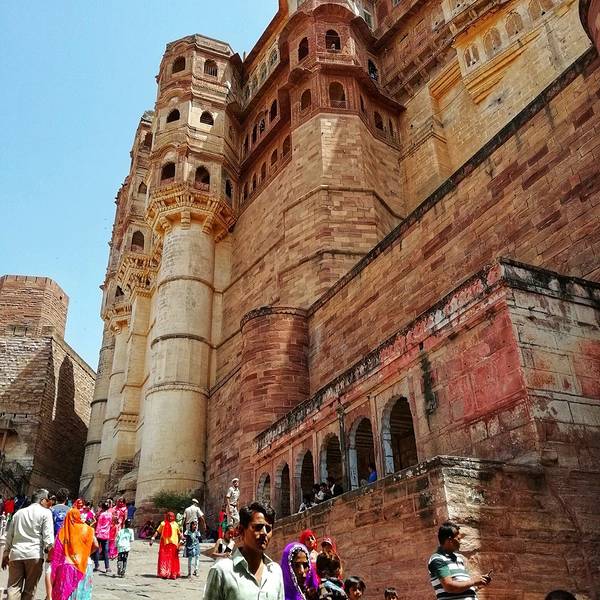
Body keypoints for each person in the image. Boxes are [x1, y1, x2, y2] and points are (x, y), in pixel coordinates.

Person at [205, 501, 284, 599]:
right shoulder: (222, 571)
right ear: (242, 531)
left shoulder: (275, 572)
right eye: (258, 527)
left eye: (268, 529)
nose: (264, 533)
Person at [1, 488, 54, 600]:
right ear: (42, 500)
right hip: (34, 555)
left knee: (13, 588)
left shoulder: (18, 513)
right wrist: (50, 555)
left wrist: (5, 554)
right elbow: (48, 538)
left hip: (16, 554)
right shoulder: (46, 513)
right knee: (29, 591)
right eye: (47, 500)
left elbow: (9, 535)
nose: (49, 502)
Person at [428, 521, 491, 599]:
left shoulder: (459, 559)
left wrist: (479, 584)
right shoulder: (438, 559)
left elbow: (464, 588)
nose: (460, 542)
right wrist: (473, 581)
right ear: (450, 540)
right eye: (458, 539)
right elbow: (449, 587)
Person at [50, 505, 98, 600]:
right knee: (82, 591)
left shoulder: (63, 531)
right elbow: (96, 545)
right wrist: (86, 553)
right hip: (84, 564)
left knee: (66, 593)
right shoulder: (88, 529)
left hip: (67, 565)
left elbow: (56, 548)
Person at [150, 511, 181, 579]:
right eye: (169, 516)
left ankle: (173, 573)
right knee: (164, 559)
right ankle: (164, 573)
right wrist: (153, 538)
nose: (170, 518)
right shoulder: (163, 523)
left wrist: (182, 538)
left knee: (173, 559)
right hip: (164, 544)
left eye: (171, 516)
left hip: (173, 545)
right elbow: (157, 531)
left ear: (173, 517)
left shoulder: (176, 524)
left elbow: (179, 533)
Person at [93, 502, 112, 573]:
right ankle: (107, 567)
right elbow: (110, 524)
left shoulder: (102, 515)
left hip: (100, 534)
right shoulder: (110, 514)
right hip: (106, 535)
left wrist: (96, 533)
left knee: (97, 550)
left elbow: (99, 524)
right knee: (105, 551)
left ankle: (96, 566)